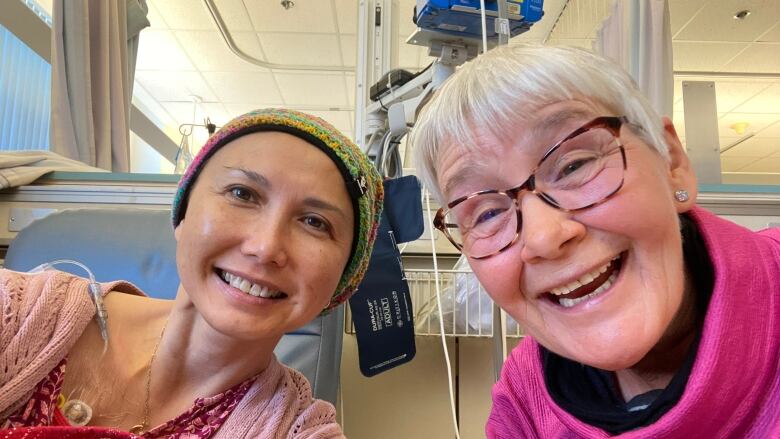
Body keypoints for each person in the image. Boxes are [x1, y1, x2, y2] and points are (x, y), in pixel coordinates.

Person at [410, 44, 780, 438]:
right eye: (486, 214)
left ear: (672, 162)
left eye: (574, 165)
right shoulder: (524, 399)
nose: (543, 237)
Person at [0, 108, 383, 438]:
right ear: (182, 214)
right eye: (242, 194)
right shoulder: (17, 315)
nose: (265, 247)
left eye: (315, 222)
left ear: (342, 282)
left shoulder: (297, 428)